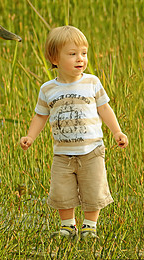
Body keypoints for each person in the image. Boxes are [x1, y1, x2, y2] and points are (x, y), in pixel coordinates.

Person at [20, 25, 128, 240]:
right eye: (72, 54)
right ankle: (68, 226)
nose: (80, 59)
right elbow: (41, 115)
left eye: (84, 53)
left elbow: (104, 108)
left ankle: (90, 226)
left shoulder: (92, 82)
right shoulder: (48, 89)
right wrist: (30, 136)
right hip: (62, 153)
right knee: (62, 190)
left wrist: (117, 131)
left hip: (92, 150)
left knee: (93, 188)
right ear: (54, 58)